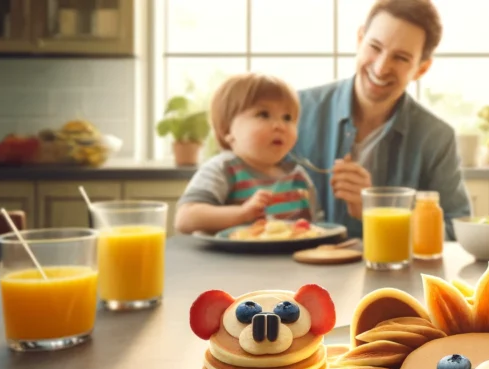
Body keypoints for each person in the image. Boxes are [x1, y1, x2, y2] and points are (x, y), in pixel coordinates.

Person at [292, 0, 472, 239]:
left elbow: (457, 230)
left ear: (422, 69)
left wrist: (379, 210)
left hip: (395, 274)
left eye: (401, 58)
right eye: (375, 47)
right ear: (360, 39)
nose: (381, 68)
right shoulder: (295, 112)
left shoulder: (437, 138)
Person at [174, 72, 315, 235]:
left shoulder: (298, 177)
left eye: (287, 117)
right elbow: (185, 219)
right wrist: (242, 213)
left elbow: (315, 227)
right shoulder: (223, 169)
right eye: (263, 114)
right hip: (227, 260)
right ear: (228, 130)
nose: (280, 126)